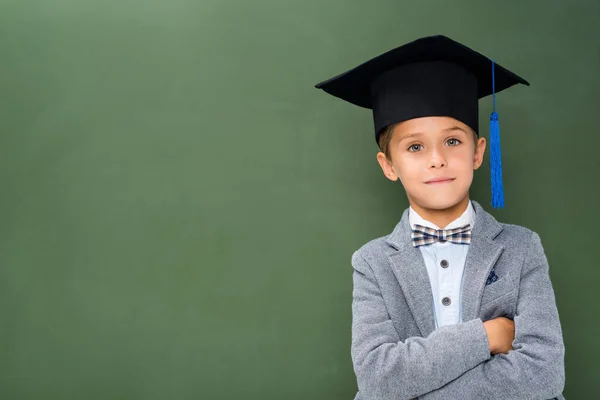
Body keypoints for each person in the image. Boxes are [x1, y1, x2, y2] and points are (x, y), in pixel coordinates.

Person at [315, 35, 566, 399]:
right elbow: (377, 379)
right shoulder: (372, 263)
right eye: (415, 147)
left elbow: (542, 376)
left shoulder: (521, 248)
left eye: (452, 141)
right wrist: (487, 336)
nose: (437, 159)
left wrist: (412, 386)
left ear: (479, 153)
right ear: (389, 166)